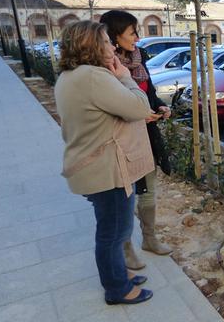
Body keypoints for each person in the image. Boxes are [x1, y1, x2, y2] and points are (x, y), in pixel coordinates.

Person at [55, 20, 154, 305]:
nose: (112, 46)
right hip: (105, 171)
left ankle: (118, 276)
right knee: (114, 233)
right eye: (106, 41)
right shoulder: (93, 77)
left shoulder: (70, 75)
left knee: (111, 228)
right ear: (91, 46)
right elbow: (139, 108)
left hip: (92, 167)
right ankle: (117, 289)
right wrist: (124, 75)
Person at [100, 10, 173, 271]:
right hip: (122, 142)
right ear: (114, 37)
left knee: (149, 191)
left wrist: (161, 108)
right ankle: (126, 246)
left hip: (147, 138)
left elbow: (148, 95)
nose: (138, 38)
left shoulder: (138, 60)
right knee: (124, 196)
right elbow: (111, 109)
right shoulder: (104, 69)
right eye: (132, 33)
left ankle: (150, 239)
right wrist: (138, 116)